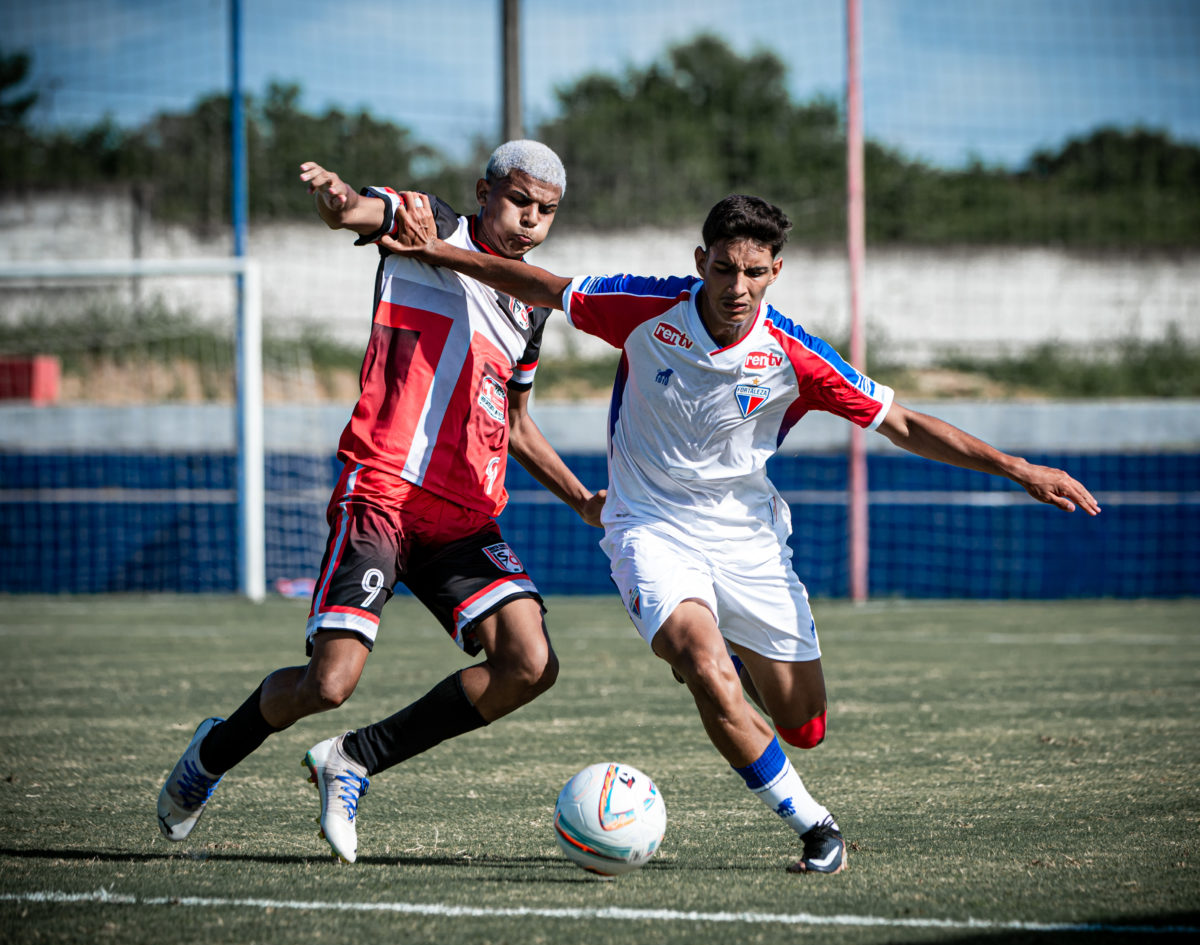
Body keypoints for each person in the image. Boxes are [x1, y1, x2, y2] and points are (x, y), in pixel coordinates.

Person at [377, 192, 1101, 875]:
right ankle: (817, 826)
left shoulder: (796, 354)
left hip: (747, 542)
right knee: (701, 659)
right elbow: (536, 282)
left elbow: (903, 423)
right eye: (725, 268)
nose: (738, 285)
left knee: (803, 724)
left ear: (776, 271)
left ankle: (735, 661)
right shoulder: (644, 306)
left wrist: (1016, 467)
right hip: (649, 529)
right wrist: (438, 252)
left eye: (755, 272)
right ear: (702, 261)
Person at [157, 140, 605, 863]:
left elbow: (517, 423)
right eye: (519, 201)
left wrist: (583, 499)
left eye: (546, 211)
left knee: (530, 662)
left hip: (464, 516)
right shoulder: (428, 223)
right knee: (329, 683)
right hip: (383, 492)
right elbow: (362, 212)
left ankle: (356, 759)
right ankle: (214, 752)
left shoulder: (528, 306)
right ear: (485, 192)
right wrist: (340, 202)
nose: (530, 221)